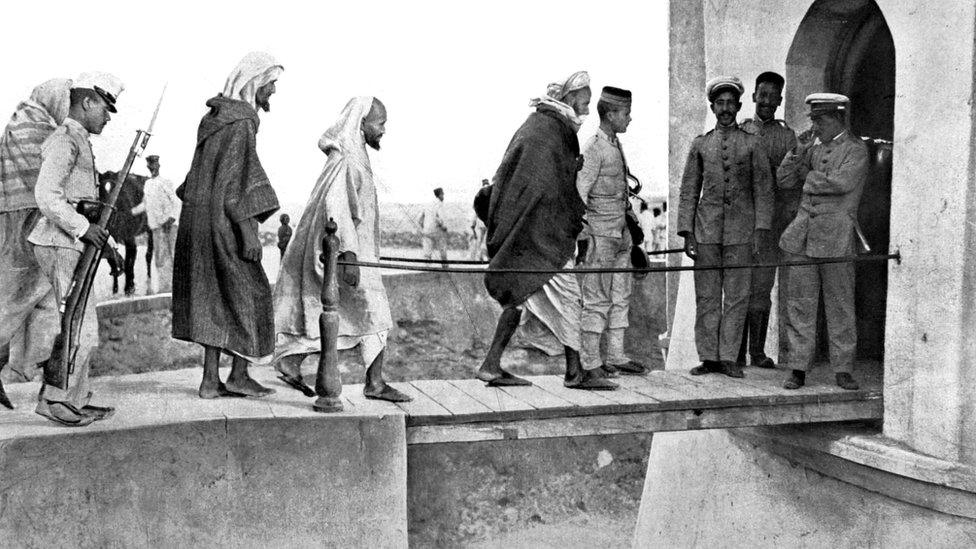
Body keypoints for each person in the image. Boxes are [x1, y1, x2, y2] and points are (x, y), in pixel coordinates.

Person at [478, 70, 616, 390]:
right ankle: (574, 372)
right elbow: (546, 186)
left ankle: (489, 364)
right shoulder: (553, 130)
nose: (584, 110)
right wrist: (571, 217)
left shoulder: (541, 125)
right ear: (567, 100)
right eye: (582, 103)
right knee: (569, 297)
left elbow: (537, 180)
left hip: (528, 231)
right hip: (541, 235)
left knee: (520, 295)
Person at [273, 97, 411, 403]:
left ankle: (291, 361)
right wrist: (349, 257)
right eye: (380, 123)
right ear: (361, 124)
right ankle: (374, 383)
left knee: (344, 317)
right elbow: (336, 208)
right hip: (345, 253)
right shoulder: (348, 159)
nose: (383, 130)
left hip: (348, 253)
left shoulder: (353, 156)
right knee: (373, 314)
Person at [172, 52, 283, 399]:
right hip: (223, 221)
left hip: (197, 221)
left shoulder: (214, 119)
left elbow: (198, 178)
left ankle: (209, 380)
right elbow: (238, 180)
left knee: (211, 294)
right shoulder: (242, 121)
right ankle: (238, 375)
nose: (274, 92)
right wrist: (248, 229)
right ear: (255, 84)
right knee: (252, 293)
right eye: (271, 84)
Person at [26, 73, 123, 425]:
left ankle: (75, 399)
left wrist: (105, 241)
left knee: (81, 322)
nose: (108, 117)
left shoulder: (77, 140)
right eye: (106, 108)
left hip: (70, 241)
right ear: (87, 102)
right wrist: (84, 229)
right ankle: (54, 400)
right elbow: (47, 196)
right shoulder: (64, 140)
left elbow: (85, 203)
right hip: (59, 242)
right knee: (76, 324)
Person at [677, 76, 773, 378]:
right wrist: (687, 232)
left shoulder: (752, 143)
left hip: (741, 233)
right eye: (720, 104)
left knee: (737, 296)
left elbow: (763, 188)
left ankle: (730, 357)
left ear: (739, 105)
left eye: (731, 103)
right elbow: (689, 191)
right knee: (706, 296)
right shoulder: (700, 145)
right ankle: (709, 357)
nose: (726, 109)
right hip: (706, 232)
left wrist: (760, 230)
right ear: (712, 107)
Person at [777, 93, 867, 391]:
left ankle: (843, 368)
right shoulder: (812, 151)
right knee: (800, 305)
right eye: (813, 119)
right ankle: (798, 368)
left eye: (820, 120)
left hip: (836, 238)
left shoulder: (856, 150)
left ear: (837, 117)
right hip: (802, 237)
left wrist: (809, 176)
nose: (815, 126)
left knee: (840, 305)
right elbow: (784, 179)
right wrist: (797, 152)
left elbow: (841, 183)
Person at [0, 78, 72, 407]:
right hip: (28, 221)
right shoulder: (41, 126)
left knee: (24, 300)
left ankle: (22, 373)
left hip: (11, 219)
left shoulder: (19, 120)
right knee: (23, 299)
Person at [576, 86, 648, 377]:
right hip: (600, 235)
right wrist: (584, 237)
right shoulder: (593, 148)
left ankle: (616, 355)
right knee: (596, 298)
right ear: (610, 114)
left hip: (620, 234)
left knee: (621, 295)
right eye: (626, 113)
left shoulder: (615, 144)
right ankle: (590, 362)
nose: (629, 118)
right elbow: (579, 194)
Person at [737, 71, 798, 369]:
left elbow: (791, 182)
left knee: (762, 289)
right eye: (763, 95)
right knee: (738, 288)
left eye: (773, 97)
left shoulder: (787, 137)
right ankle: (734, 352)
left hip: (771, 227)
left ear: (780, 101)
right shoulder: (740, 131)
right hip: (742, 225)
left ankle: (757, 352)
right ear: (753, 96)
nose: (767, 102)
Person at [129, 155, 179, 293]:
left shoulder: (166, 182)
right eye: (150, 166)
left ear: (159, 166)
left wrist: (172, 218)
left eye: (155, 166)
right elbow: (145, 204)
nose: (153, 168)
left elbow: (176, 201)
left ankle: (179, 288)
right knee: (160, 259)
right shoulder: (148, 184)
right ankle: (166, 288)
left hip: (169, 225)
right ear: (148, 167)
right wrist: (130, 212)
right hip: (156, 227)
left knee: (174, 255)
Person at [420, 187, 448, 265]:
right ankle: (445, 267)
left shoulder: (427, 204)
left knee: (427, 252)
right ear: (440, 195)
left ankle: (427, 268)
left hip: (426, 230)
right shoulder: (439, 204)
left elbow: (420, 219)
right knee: (442, 250)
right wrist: (444, 227)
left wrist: (424, 227)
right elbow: (440, 218)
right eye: (443, 194)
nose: (443, 196)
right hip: (437, 231)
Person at [467, 179, 489, 261]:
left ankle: (480, 256)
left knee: (481, 241)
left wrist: (473, 224)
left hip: (482, 223)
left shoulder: (479, 196)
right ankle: (482, 256)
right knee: (483, 241)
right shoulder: (489, 195)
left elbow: (475, 211)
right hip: (484, 223)